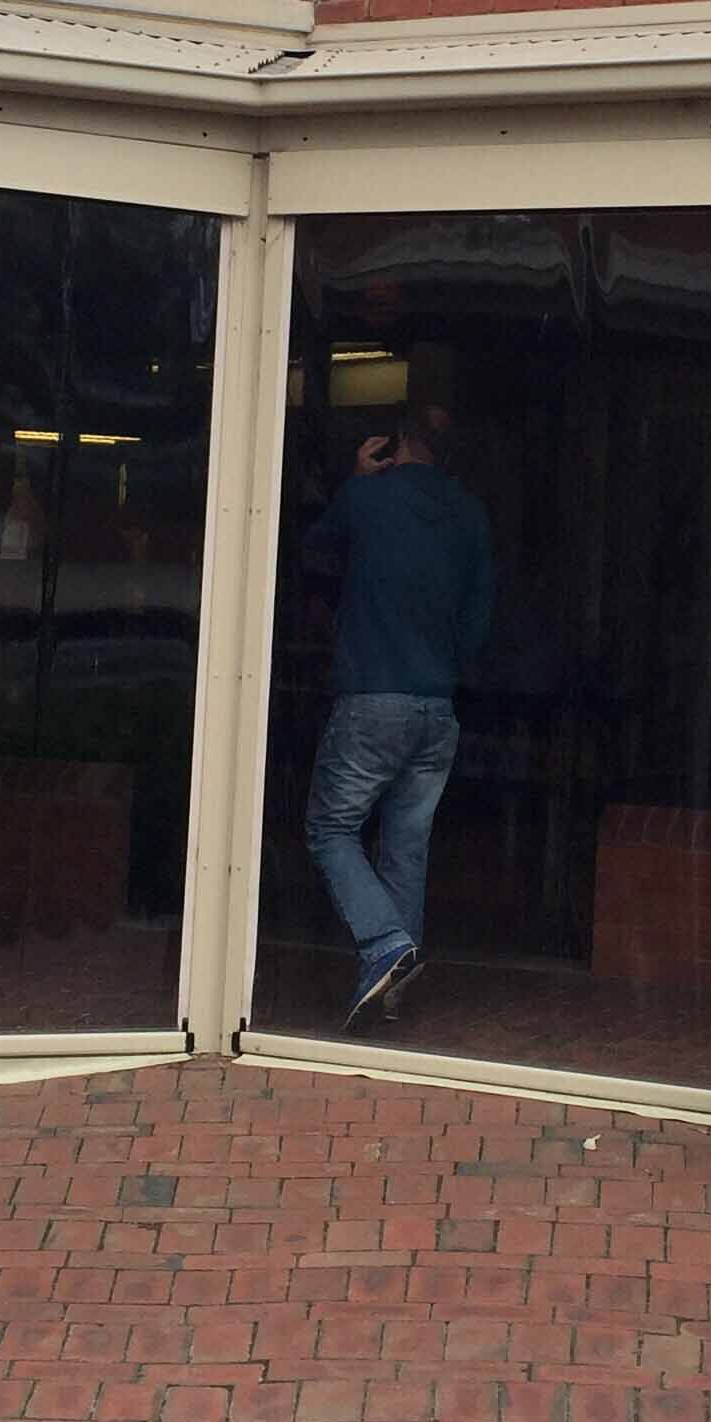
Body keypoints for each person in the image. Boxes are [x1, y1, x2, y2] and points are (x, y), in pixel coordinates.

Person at [302, 399, 494, 1029]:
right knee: (406, 848)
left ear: (397, 442)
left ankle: (384, 945)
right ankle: (389, 990)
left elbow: (314, 553)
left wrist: (356, 479)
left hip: (372, 699)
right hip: (437, 706)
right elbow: (480, 617)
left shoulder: (370, 497)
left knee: (330, 828)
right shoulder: (470, 514)